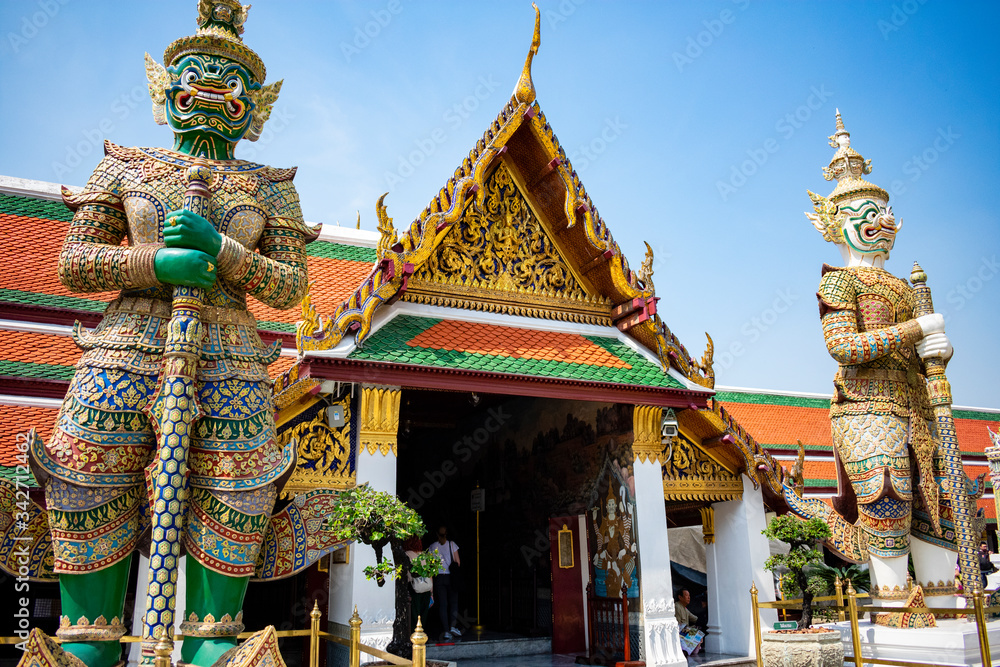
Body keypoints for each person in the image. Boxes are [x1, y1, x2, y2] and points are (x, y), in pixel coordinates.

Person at [20, 3, 316, 666]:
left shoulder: (272, 190)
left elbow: (291, 286)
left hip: (232, 366)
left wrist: (222, 252)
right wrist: (157, 264)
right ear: (166, 86)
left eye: (230, 75)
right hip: (123, 356)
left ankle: (210, 644)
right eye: (198, 70)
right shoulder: (124, 166)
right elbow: (75, 260)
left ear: (256, 104)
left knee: (216, 623)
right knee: (88, 614)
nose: (213, 82)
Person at [428, 526, 462, 640]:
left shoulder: (432, 547)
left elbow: (430, 565)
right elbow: (458, 562)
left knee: (443, 604)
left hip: (439, 577)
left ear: (436, 534)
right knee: (454, 603)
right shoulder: (452, 545)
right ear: (446, 534)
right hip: (451, 577)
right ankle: (453, 627)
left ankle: (446, 631)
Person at [405, 536, 433, 632]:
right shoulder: (423, 555)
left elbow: (407, 574)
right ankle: (421, 635)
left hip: (414, 588)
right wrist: (431, 593)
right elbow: (430, 574)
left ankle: (414, 637)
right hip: (426, 588)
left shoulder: (407, 554)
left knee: (414, 615)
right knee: (423, 615)